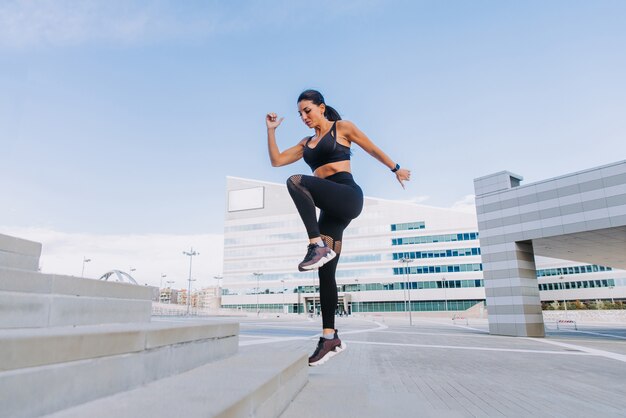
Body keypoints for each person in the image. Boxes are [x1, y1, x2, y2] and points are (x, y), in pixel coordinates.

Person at [265, 89, 411, 366]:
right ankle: (330, 338)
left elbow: (371, 148)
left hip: (347, 196)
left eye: (307, 110)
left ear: (321, 107)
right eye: (300, 114)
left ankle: (315, 245)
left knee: (296, 181)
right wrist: (271, 130)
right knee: (325, 273)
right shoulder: (306, 143)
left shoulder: (341, 128)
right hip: (331, 212)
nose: (304, 117)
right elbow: (276, 160)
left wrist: (396, 168)